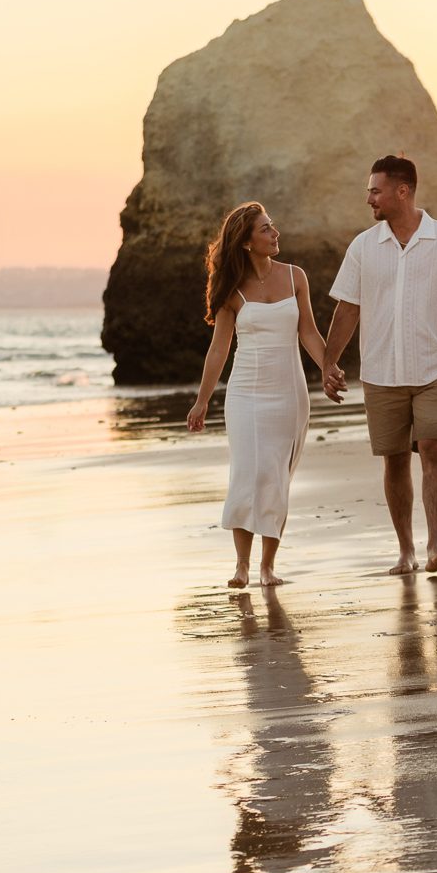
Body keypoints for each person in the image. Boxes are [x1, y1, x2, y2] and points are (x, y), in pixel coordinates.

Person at [321, 156, 437, 576]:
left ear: (402, 191)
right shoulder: (363, 247)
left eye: (375, 190)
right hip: (381, 372)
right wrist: (328, 362)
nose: (369, 198)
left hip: (435, 370)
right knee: (394, 460)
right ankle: (406, 551)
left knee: (433, 450)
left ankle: (435, 546)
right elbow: (348, 309)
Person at [186, 203, 327, 588]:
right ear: (247, 242)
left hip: (289, 391)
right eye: (266, 229)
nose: (275, 233)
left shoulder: (296, 277)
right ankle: (241, 566)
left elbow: (309, 333)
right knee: (247, 472)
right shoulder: (231, 291)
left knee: (276, 476)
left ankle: (268, 567)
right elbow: (219, 349)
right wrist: (202, 401)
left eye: (272, 226)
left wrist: (328, 367)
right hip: (246, 392)